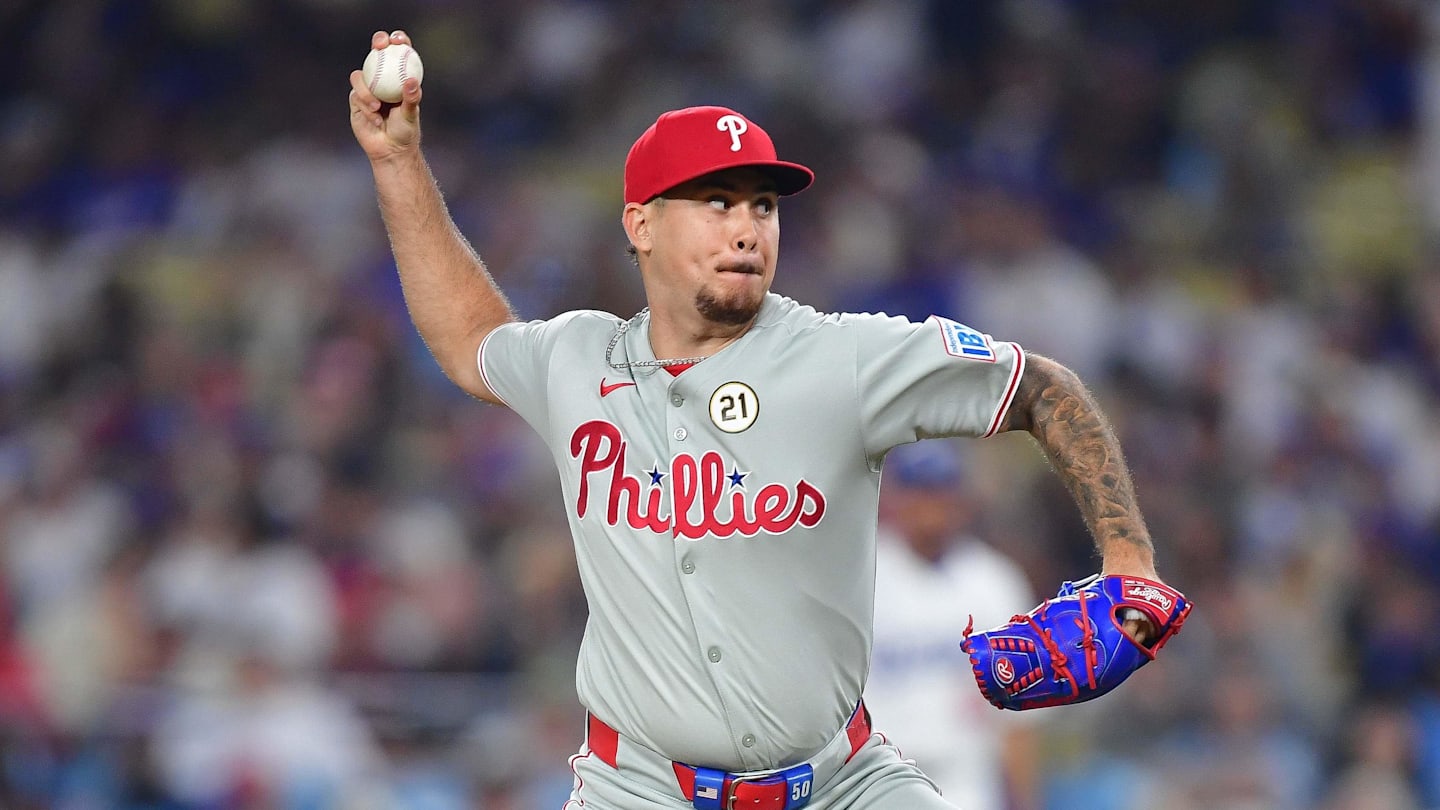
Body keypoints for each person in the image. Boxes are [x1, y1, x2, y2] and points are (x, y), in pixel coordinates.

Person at [349, 29, 1172, 810]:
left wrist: (1130, 556)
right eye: (716, 202)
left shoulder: (845, 357)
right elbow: (471, 340)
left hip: (843, 783)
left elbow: (1043, 387)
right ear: (640, 224)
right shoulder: (578, 360)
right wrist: (398, 163)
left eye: (762, 208)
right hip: (639, 789)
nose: (746, 229)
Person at [865, 440, 1044, 810]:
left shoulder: (994, 581)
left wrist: (1025, 800)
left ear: (960, 499)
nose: (930, 507)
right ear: (896, 498)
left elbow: (1020, 717)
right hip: (877, 777)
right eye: (919, 492)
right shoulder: (861, 576)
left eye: (939, 492)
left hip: (966, 778)